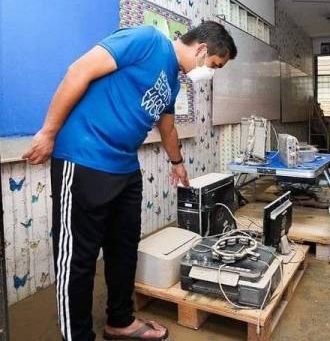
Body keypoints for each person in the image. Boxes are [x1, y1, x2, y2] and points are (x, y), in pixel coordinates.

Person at [22, 21, 237, 341]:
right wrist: (49, 133)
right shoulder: (148, 40)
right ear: (202, 50)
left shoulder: (174, 83)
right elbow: (79, 70)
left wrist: (177, 163)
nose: (211, 72)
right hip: (84, 159)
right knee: (77, 259)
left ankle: (119, 321)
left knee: (123, 251)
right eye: (215, 66)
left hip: (124, 169)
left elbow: (167, 129)